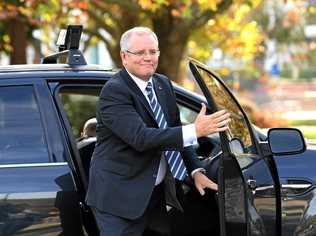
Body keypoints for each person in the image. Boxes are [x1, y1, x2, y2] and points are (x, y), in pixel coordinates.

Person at [85, 27, 231, 236]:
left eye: (153, 52)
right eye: (140, 53)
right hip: (119, 199)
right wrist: (196, 130)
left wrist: (196, 171)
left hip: (155, 194)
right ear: (124, 57)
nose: (148, 58)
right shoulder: (115, 91)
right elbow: (141, 138)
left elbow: (174, 131)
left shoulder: (162, 84)